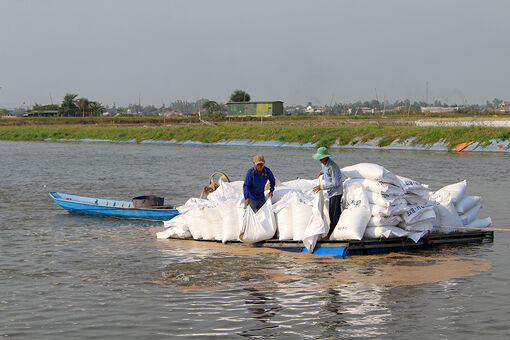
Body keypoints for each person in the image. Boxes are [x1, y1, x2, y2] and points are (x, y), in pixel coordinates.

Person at [312, 146, 343, 238]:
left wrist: (321, 187)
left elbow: (336, 183)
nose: (320, 160)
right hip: (330, 192)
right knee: (330, 213)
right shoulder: (324, 164)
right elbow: (324, 170)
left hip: (336, 192)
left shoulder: (332, 167)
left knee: (334, 214)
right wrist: (321, 172)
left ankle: (330, 235)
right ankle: (332, 233)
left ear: (326, 157)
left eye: (321, 158)